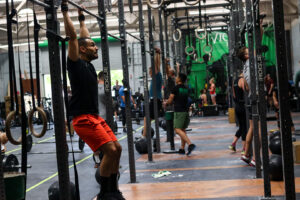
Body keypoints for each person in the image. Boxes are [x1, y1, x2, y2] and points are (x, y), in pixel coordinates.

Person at [61, 4, 124, 200]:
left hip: (94, 117)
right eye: (92, 46)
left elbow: (82, 36)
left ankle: (113, 190)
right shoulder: (75, 63)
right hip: (83, 120)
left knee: (118, 149)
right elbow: (74, 38)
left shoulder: (88, 64)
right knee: (110, 150)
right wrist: (64, 12)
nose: (96, 47)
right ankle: (105, 194)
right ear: (82, 50)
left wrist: (81, 19)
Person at [164, 73, 196, 155]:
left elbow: (170, 100)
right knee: (182, 130)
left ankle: (190, 144)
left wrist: (166, 103)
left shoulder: (175, 88)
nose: (175, 78)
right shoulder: (186, 88)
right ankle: (182, 148)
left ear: (180, 79)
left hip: (179, 111)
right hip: (185, 111)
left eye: (177, 77)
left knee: (177, 130)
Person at [238, 47, 256, 167]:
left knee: (252, 128)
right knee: (257, 129)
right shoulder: (250, 65)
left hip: (251, 97)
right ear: (246, 56)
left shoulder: (246, 66)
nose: (252, 50)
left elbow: (247, 87)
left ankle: (246, 154)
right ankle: (256, 159)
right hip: (256, 98)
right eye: (249, 50)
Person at [142, 47, 163, 137]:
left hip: (155, 100)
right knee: (147, 119)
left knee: (147, 119)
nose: (149, 72)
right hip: (155, 100)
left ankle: (144, 137)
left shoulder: (157, 75)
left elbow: (156, 64)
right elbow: (157, 65)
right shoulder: (157, 76)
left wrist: (157, 53)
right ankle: (145, 136)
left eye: (150, 71)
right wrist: (158, 53)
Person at [228, 73, 247, 153]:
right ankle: (244, 149)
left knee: (242, 127)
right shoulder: (242, 80)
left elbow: (234, 96)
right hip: (243, 107)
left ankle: (233, 144)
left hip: (237, 106)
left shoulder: (235, 81)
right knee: (245, 128)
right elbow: (246, 91)